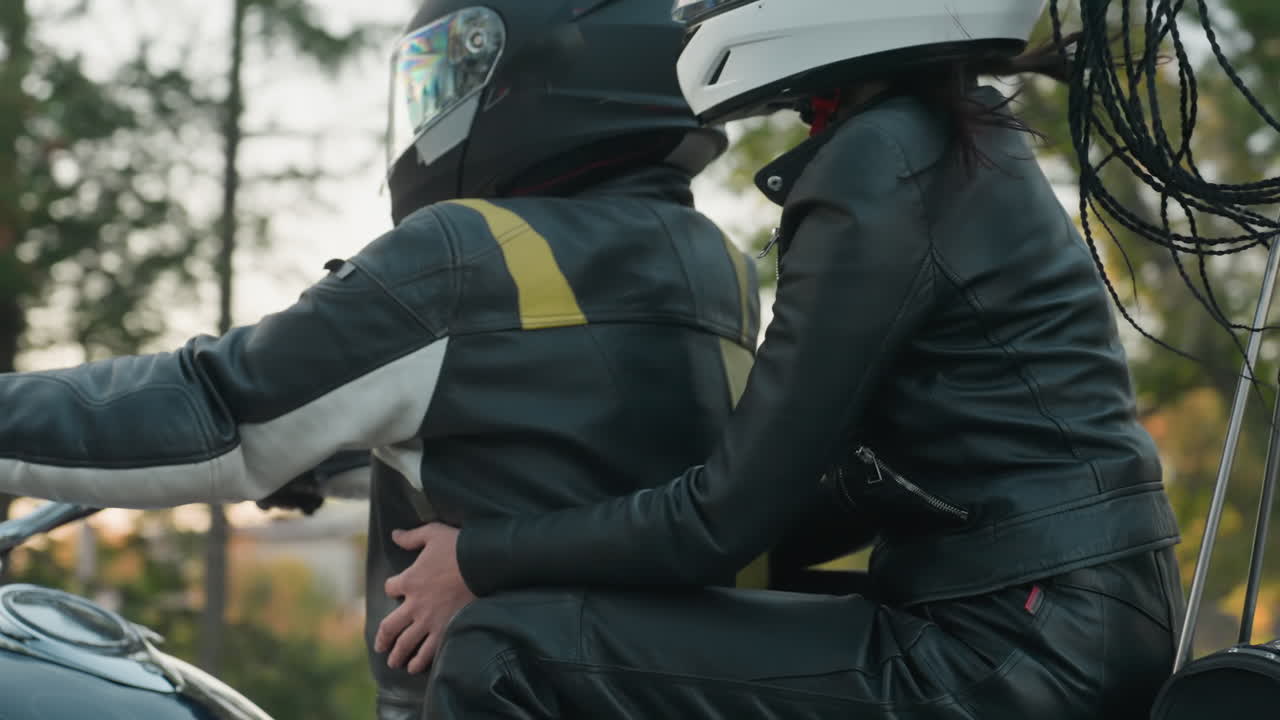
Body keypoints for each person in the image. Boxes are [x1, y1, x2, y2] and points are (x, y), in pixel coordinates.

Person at [378, 1, 1188, 718]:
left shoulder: (878, 162)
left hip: (1012, 646)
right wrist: (594, 536)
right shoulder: (940, 141)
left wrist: (481, 557)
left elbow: (725, 519)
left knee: (507, 650)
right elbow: (821, 487)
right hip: (1061, 623)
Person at [0, 1, 762, 718]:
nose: (433, 107)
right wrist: (336, 461)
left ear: (544, 72)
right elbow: (579, 446)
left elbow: (215, 410)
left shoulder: (468, 255)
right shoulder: (718, 267)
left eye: (454, 73)